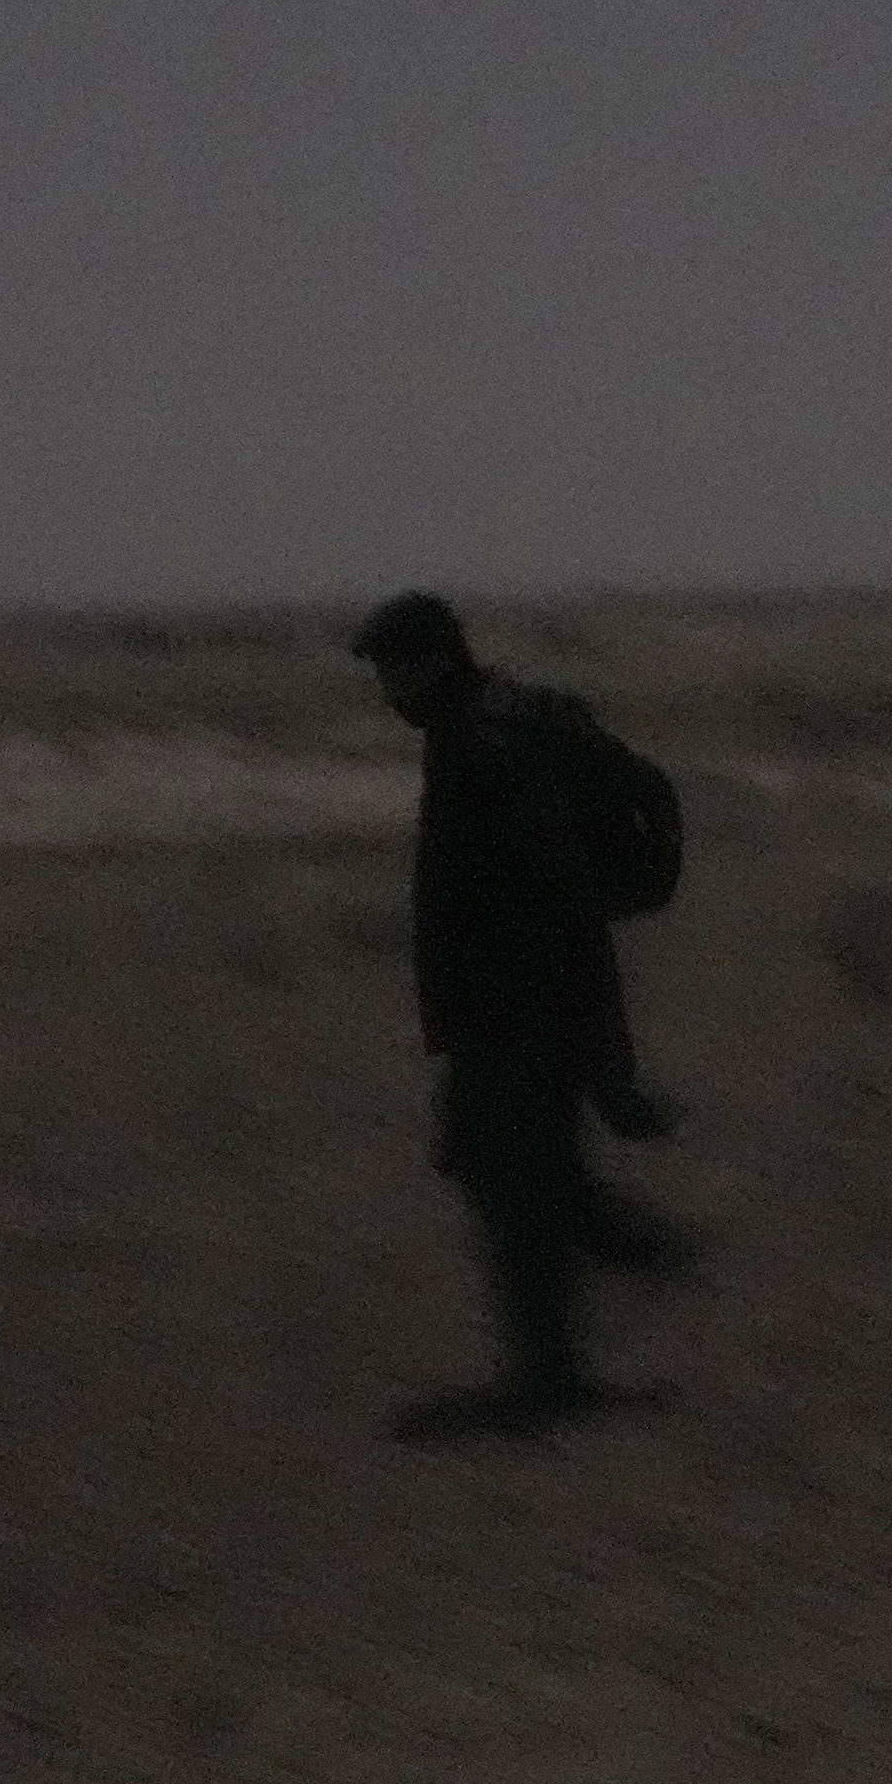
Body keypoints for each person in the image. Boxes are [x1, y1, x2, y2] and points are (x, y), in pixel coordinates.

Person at [355, 590, 682, 1436]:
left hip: (523, 1007)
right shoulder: (486, 728)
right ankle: (578, 1339)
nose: (387, 691)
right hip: (520, 1006)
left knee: (513, 1177)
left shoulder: (484, 746)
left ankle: (608, 1309)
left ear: (432, 661)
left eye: (393, 670)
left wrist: (603, 1051)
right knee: (518, 1175)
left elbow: (555, 904)